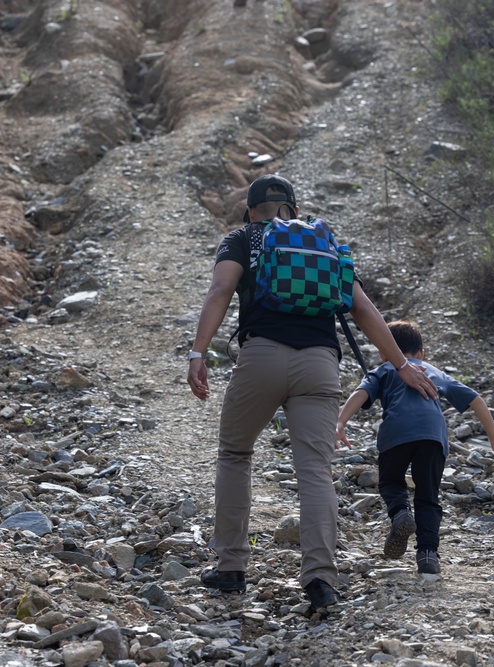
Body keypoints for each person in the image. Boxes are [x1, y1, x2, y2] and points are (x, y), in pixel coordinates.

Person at [186, 174, 438, 613]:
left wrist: (198, 352)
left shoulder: (243, 237)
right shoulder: (321, 243)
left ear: (251, 211)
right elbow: (362, 309)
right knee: (315, 471)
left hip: (261, 356)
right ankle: (321, 579)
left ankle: (231, 567)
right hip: (321, 363)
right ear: (295, 211)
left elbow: (221, 290)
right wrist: (402, 365)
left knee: (235, 453)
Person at [335, 320, 494, 574]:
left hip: (396, 433)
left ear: (384, 351)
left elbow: (360, 394)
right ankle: (428, 556)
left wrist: (340, 422)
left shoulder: (386, 368)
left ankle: (400, 513)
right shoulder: (432, 370)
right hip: (432, 435)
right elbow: (475, 398)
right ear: (421, 353)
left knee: (390, 482)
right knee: (428, 496)